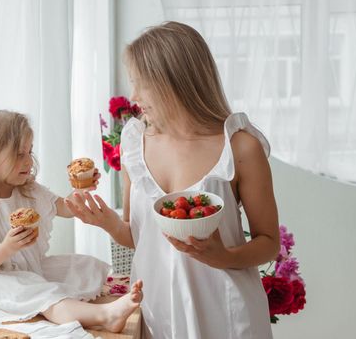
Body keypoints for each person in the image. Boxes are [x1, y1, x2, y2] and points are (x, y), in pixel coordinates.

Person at [65, 21, 279, 338]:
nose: (134, 95)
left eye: (141, 83)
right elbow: (139, 237)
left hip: (227, 315)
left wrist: (225, 257)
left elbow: (269, 243)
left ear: (174, 82)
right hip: (158, 314)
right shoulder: (134, 143)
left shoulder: (239, 147)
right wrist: (108, 222)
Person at [0, 107, 142, 332]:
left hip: (28, 269)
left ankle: (83, 306)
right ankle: (104, 315)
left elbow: (64, 208)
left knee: (82, 266)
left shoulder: (28, 191)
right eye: (19, 154)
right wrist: (7, 248)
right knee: (43, 293)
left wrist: (81, 189)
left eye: (30, 152)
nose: (28, 161)